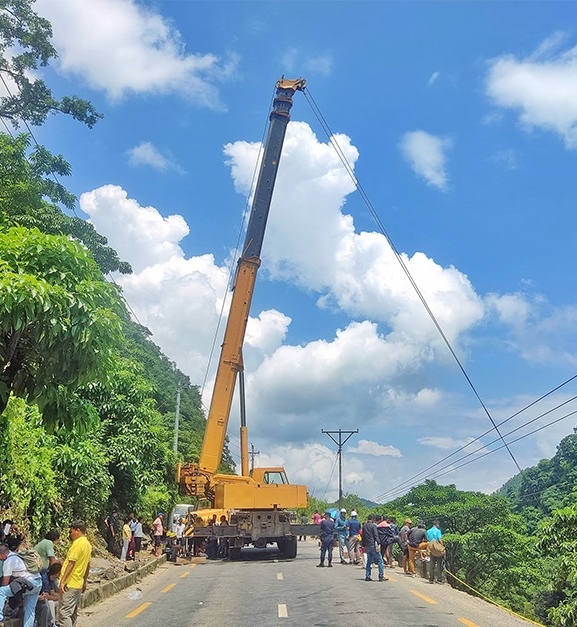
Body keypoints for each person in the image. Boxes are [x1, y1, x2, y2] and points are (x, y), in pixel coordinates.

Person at [58, 520, 92, 627]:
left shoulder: (77, 544)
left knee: (64, 613)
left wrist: (63, 581)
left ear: (78, 530)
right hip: (78, 583)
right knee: (72, 613)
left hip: (70, 583)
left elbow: (71, 563)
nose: (70, 534)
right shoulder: (87, 544)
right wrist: (84, 581)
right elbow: (87, 565)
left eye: (71, 531)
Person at [0, 542, 43, 627]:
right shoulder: (17, 556)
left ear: (1, 555)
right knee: (30, 610)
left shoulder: (8, 562)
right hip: (38, 583)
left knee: (1, 591)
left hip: (29, 583)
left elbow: (5, 584)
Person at [35, 562, 61, 627]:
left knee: (59, 602)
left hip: (44, 598)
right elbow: (46, 596)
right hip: (39, 599)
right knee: (51, 603)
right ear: (58, 573)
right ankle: (52, 624)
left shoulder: (51, 579)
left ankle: (56, 622)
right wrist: (58, 597)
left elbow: (52, 592)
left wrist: (60, 597)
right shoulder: (45, 578)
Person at [362, 514, 386, 582]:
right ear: (372, 519)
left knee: (369, 562)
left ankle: (367, 576)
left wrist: (364, 545)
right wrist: (379, 544)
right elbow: (376, 536)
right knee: (380, 561)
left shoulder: (364, 526)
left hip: (367, 546)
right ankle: (381, 576)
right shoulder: (373, 526)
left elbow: (363, 536)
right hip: (373, 545)